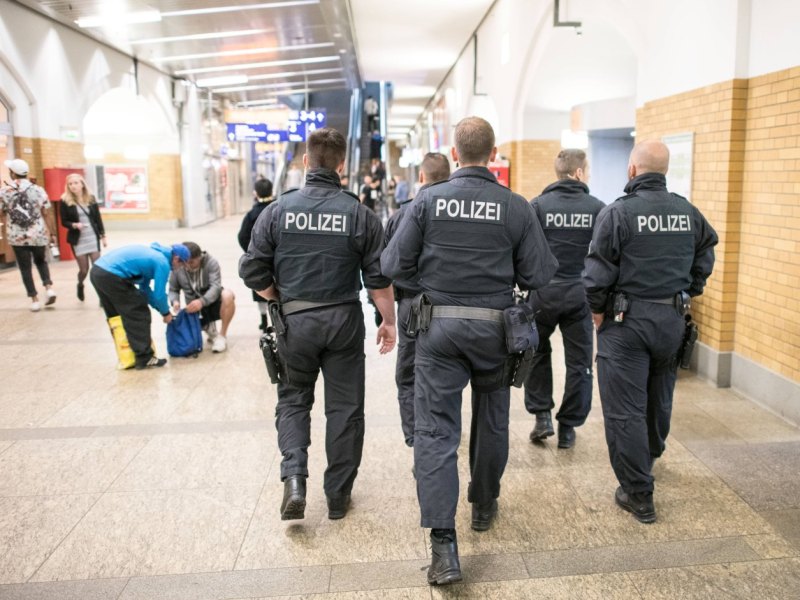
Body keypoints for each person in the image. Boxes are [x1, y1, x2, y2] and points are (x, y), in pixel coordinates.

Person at [381, 117, 557, 586]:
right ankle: (483, 503)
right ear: (493, 153)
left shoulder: (427, 202)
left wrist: (434, 287)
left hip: (438, 333)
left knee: (437, 432)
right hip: (495, 331)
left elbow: (393, 264)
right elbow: (539, 274)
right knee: (492, 416)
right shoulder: (516, 207)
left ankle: (443, 546)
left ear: (455, 155)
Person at [239, 127, 396, 523]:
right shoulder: (360, 214)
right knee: (345, 409)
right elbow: (378, 279)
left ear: (305, 162)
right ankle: (338, 496)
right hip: (343, 320)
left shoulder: (277, 210)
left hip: (295, 322)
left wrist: (278, 298)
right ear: (342, 165)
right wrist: (388, 320)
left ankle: (294, 478)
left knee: (293, 400)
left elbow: (252, 269)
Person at [583, 140, 718, 524]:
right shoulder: (686, 211)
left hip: (626, 324)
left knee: (624, 408)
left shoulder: (618, 213)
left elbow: (596, 274)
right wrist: (690, 288)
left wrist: (596, 311)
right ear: (664, 172)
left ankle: (638, 493)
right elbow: (707, 249)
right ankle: (651, 454)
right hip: (671, 320)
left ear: (632, 170)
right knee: (660, 395)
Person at [525, 149, 605, 449]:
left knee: (536, 354)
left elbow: (526, 252)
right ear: (580, 173)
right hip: (580, 295)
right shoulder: (598, 208)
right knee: (580, 363)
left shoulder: (538, 206)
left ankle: (542, 415)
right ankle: (568, 427)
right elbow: (605, 257)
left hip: (542, 293)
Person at [383, 152, 450, 451]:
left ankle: (415, 437)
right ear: (449, 177)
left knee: (408, 374)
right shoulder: (455, 213)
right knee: (446, 370)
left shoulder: (401, 215)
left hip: (411, 305)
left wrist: (384, 317)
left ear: (421, 177)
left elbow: (385, 266)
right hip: (450, 305)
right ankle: (442, 430)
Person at [90, 243, 190, 369]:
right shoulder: (162, 263)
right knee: (138, 312)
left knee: (116, 315)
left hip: (97, 272)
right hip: (112, 275)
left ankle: (127, 356)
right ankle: (144, 357)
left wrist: (161, 310)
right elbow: (159, 294)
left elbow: (145, 290)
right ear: (176, 259)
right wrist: (165, 313)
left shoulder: (154, 255)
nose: (179, 268)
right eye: (182, 264)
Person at [0, 158, 57, 311]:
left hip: (17, 236)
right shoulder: (38, 189)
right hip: (37, 233)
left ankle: (34, 300)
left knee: (25, 268)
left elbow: (1, 212)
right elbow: (46, 212)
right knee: (41, 262)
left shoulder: (4, 191)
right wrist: (52, 233)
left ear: (12, 173)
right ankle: (49, 287)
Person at [169, 241, 236, 353]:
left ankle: (222, 335)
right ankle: (208, 328)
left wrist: (202, 301)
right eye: (186, 262)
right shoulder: (179, 266)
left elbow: (216, 286)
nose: (188, 266)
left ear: (200, 257)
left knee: (228, 295)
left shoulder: (211, 262)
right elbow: (173, 289)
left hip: (211, 301)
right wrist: (175, 301)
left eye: (192, 262)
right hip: (192, 308)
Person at [60, 173, 107, 302]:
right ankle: (80, 284)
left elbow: (97, 218)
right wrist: (74, 225)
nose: (73, 186)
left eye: (76, 183)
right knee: (84, 270)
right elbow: (64, 221)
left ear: (82, 184)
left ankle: (102, 297)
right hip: (78, 239)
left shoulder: (91, 199)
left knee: (97, 268)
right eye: (70, 184)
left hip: (92, 236)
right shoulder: (64, 200)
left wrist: (103, 236)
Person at [238, 178, 276, 332]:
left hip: (260, 260)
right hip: (278, 260)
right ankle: (277, 318)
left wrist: (251, 251)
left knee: (261, 288)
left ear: (255, 193)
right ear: (272, 191)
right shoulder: (279, 208)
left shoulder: (251, 214)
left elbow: (242, 236)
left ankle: (263, 320)